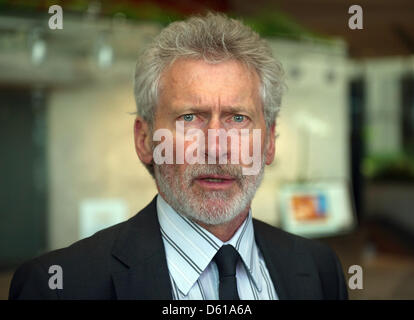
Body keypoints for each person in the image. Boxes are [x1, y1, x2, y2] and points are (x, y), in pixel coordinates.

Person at [9, 12, 348, 300]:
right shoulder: (60, 287)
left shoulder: (319, 270)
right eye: (189, 118)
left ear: (269, 142)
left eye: (238, 118)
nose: (216, 147)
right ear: (144, 140)